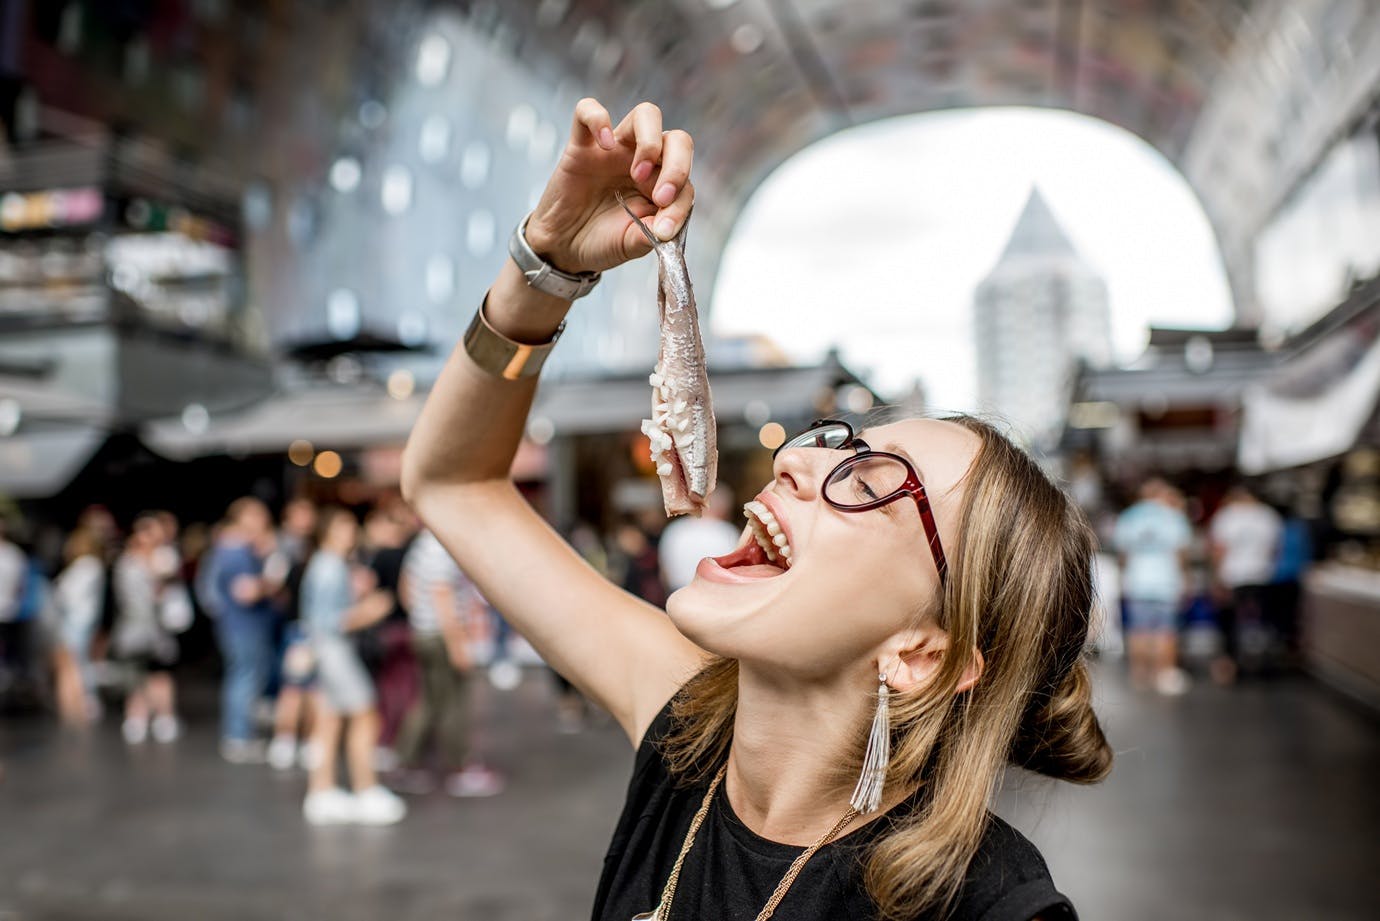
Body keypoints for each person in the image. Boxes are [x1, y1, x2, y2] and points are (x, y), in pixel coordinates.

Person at [401, 99, 1110, 920]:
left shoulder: (988, 908)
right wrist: (547, 264)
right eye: (839, 440)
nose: (800, 456)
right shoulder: (690, 734)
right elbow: (452, 483)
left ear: (920, 652)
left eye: (876, 476)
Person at [299, 507, 404, 825]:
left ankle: (322, 789)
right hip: (335, 652)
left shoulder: (327, 565)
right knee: (363, 715)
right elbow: (329, 622)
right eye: (344, 527)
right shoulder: (330, 567)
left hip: (329, 651)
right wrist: (369, 611)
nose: (351, 532)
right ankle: (365, 788)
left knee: (330, 720)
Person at [390, 529, 501, 797]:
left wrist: (418, 616)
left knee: (429, 700)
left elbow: (406, 586)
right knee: (453, 701)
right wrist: (457, 643)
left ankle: (407, 761)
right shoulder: (439, 546)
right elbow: (442, 595)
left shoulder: (421, 543)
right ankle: (459, 767)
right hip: (440, 635)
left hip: (426, 630)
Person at [212, 498, 285, 763]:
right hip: (244, 627)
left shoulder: (236, 549)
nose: (263, 522)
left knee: (245, 676)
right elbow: (246, 592)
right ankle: (238, 737)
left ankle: (240, 734)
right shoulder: (236, 551)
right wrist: (270, 583)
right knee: (244, 677)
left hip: (242, 626)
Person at [1113, 479, 1193, 694]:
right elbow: (1182, 554)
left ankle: (1139, 675)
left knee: (1138, 630)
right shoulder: (1173, 516)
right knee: (1166, 631)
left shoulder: (1129, 517)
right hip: (1166, 582)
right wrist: (1185, 577)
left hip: (1137, 581)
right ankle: (1163, 674)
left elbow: (1122, 554)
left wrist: (1124, 576)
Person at [110, 514, 180, 743]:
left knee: (160, 675)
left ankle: (164, 716)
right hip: (136, 630)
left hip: (158, 631)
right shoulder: (128, 563)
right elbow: (135, 598)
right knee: (135, 676)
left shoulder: (165, 558)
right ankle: (137, 717)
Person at [1209, 486, 1284, 683]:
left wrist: (1217, 577)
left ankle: (1230, 666)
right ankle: (1263, 664)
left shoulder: (1227, 516)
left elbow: (1219, 549)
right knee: (1262, 622)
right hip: (1262, 576)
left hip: (1233, 576)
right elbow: (1275, 549)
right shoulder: (1269, 516)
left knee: (1230, 624)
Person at [50, 527, 106, 724]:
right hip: (81, 619)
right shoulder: (92, 565)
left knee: (76, 661)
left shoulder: (86, 565)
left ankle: (85, 701)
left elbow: (67, 594)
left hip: (76, 620)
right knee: (77, 661)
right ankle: (83, 701)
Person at [658, 488, 741, 592]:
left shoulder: (674, 529)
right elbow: (737, 569)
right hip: (715, 594)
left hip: (678, 592)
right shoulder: (727, 532)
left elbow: (664, 571)